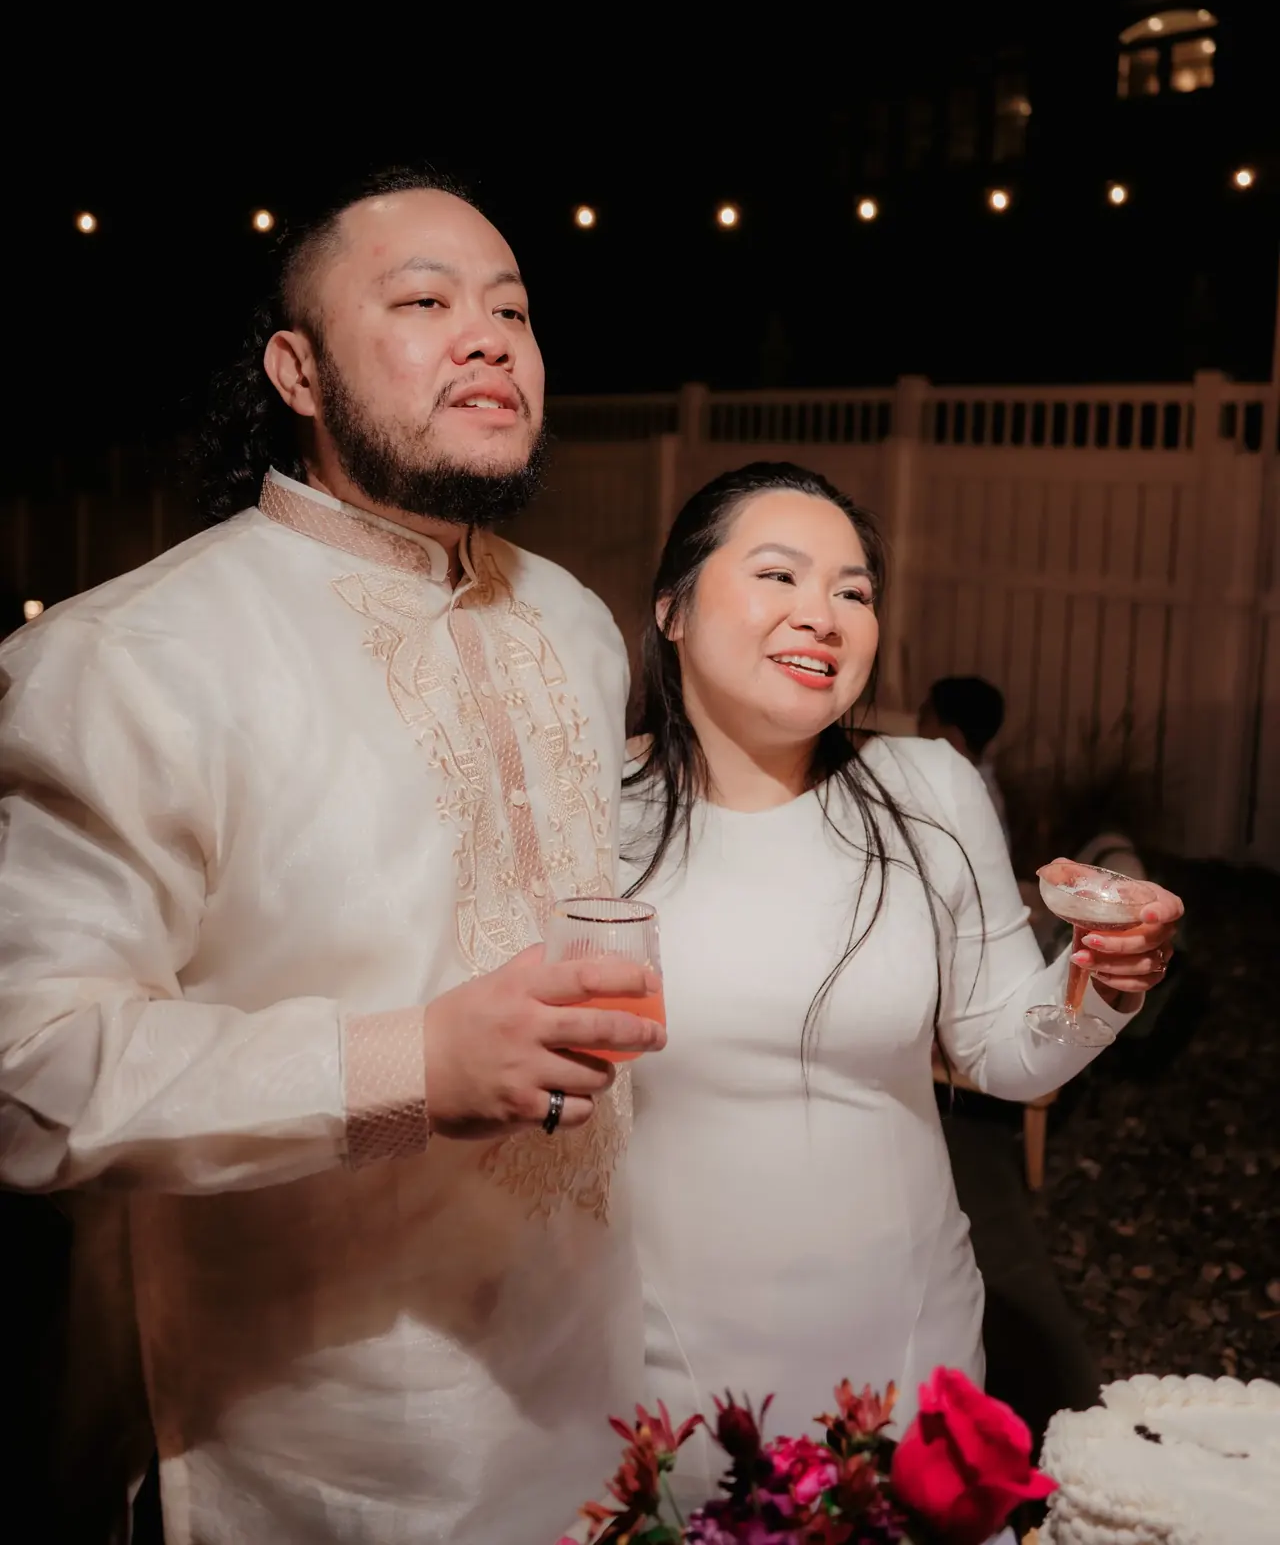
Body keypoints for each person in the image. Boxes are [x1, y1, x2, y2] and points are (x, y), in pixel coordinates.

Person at [0, 168, 666, 1545]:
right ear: (296, 370)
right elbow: (30, 1074)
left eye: (513, 310)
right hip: (318, 1443)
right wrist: (411, 1065)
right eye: (424, 301)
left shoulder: (579, 624)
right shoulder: (129, 661)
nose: (489, 336)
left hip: (601, 1387)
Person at [619, 463, 1181, 1506]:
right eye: (778, 575)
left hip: (901, 1338)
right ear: (673, 611)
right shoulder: (591, 816)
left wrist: (1100, 975)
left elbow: (1002, 1053)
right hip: (661, 1359)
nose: (821, 615)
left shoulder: (925, 789)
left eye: (853, 590)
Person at [918, 676, 1010, 848]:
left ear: (951, 739)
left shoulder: (959, 799)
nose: (916, 735)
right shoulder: (981, 789)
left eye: (923, 721)